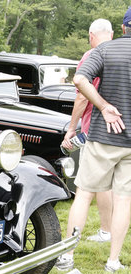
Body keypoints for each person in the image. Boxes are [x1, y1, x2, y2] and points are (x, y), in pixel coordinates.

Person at [57, 9, 131, 273]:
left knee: (84, 194)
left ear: (122, 28)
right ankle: (113, 262)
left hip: (103, 137)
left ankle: (67, 256)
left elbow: (79, 79)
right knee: (124, 200)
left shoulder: (104, 51)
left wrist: (102, 105)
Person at [59, 19, 114, 255]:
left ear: (91, 35)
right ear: (112, 34)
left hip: (96, 127)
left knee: (84, 189)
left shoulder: (92, 55)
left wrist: (72, 128)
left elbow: (82, 95)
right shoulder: (121, 54)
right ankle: (107, 231)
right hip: (119, 129)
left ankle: (68, 251)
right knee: (108, 186)